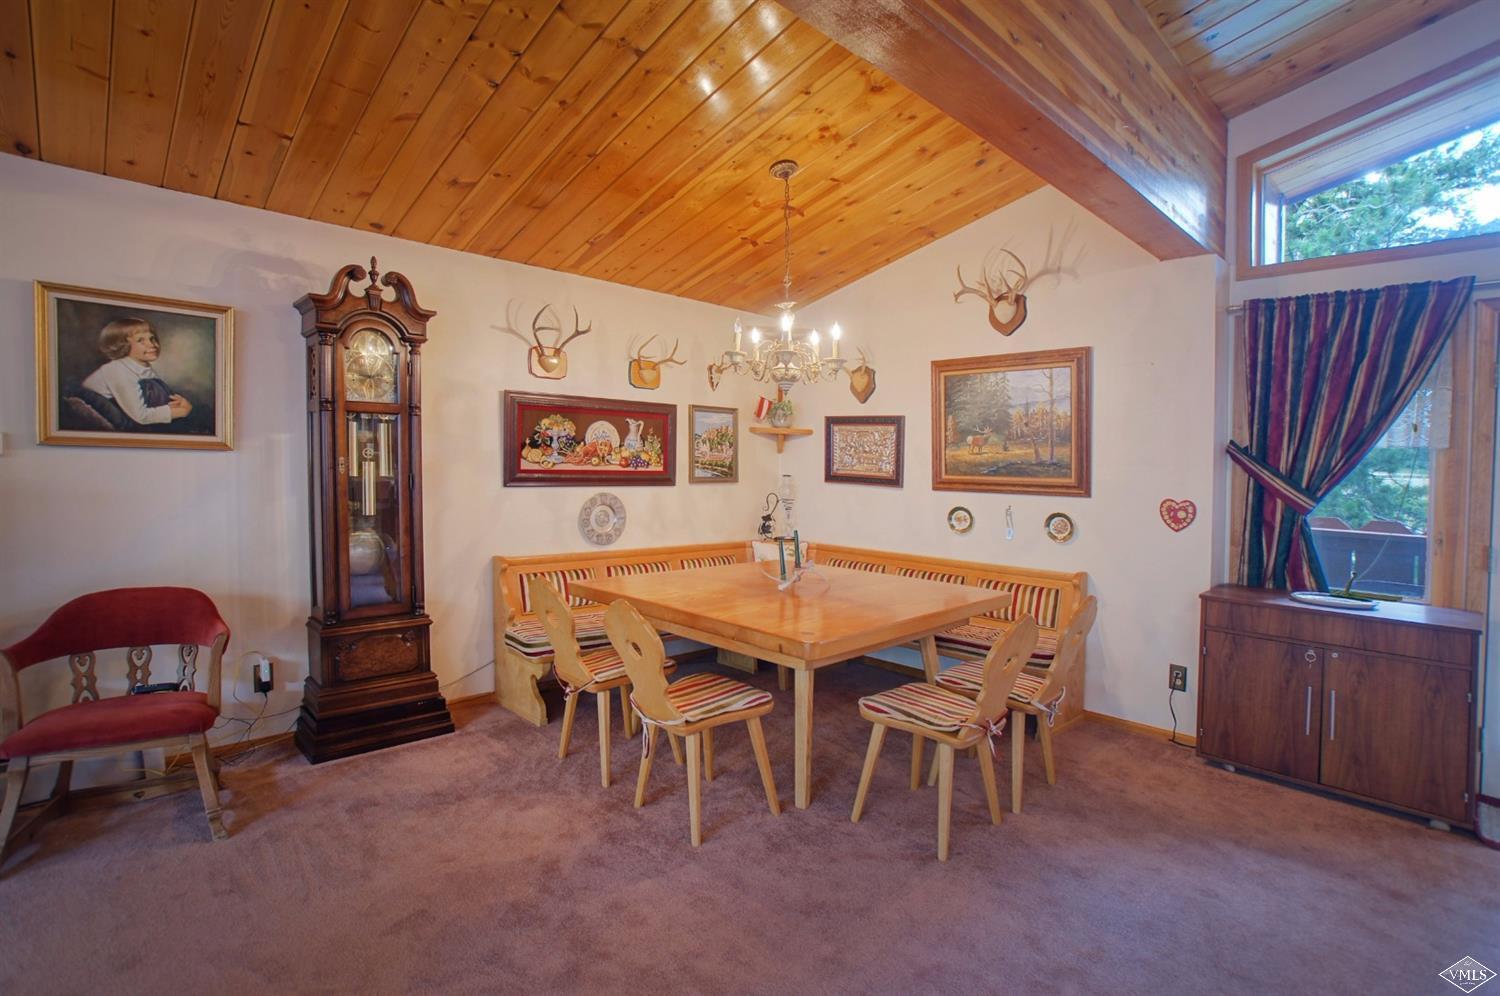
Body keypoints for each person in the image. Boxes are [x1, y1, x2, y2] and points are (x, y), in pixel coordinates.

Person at [77, 318, 192, 428]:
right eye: (141, 340)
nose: (152, 344)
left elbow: (158, 395)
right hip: (108, 415)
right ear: (123, 345)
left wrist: (178, 402)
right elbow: (141, 416)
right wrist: (182, 411)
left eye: (152, 338)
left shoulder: (143, 367)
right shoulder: (116, 370)